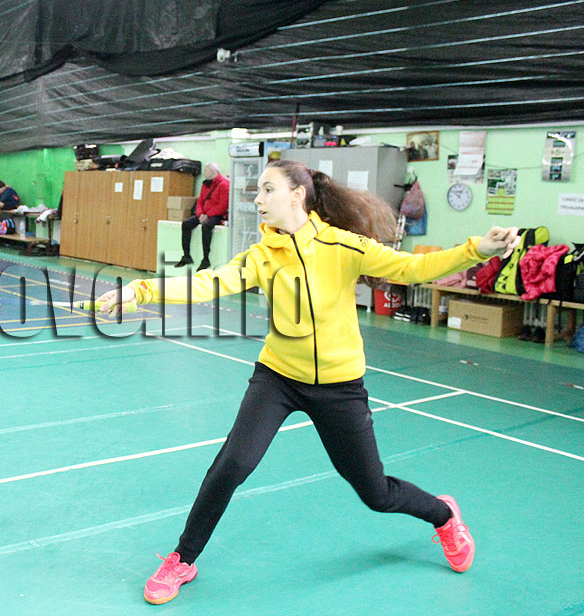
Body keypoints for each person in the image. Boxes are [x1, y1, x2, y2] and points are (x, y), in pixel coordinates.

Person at [97, 159, 520, 606]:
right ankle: (182, 559)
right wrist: (140, 290)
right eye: (258, 191)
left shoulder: (343, 246)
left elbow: (412, 267)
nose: (258, 199)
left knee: (375, 492)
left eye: (268, 190)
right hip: (278, 378)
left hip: (339, 387)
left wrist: (477, 249)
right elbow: (209, 283)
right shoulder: (262, 256)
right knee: (232, 464)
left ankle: (444, 515)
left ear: (297, 195)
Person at [176, 162, 230, 271]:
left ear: (212, 171)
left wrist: (207, 215)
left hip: (216, 215)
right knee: (186, 224)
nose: (204, 172)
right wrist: (200, 214)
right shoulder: (205, 184)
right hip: (204, 214)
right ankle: (186, 255)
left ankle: (206, 258)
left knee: (206, 226)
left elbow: (223, 206)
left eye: (206, 170)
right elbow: (200, 200)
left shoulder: (224, 184)